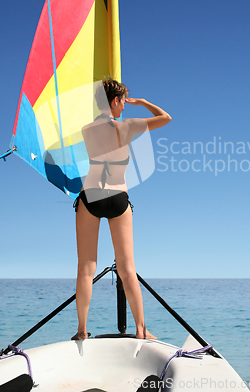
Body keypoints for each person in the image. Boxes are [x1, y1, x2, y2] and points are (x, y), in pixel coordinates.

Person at [71, 79, 171, 340]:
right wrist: (143, 103)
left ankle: (82, 330)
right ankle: (141, 330)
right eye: (124, 102)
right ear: (115, 100)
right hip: (118, 196)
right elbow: (165, 118)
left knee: (85, 268)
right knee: (127, 268)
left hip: (91, 196)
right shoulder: (127, 126)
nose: (125, 107)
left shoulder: (86, 129)